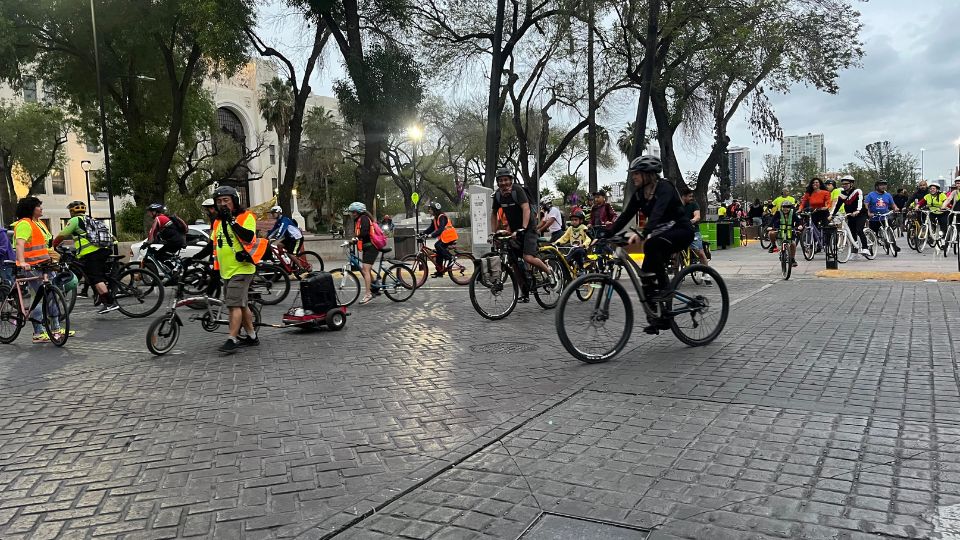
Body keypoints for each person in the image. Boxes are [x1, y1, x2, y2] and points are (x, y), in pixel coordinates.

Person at [605, 155, 694, 333]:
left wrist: (644, 232)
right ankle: (659, 318)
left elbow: (658, 212)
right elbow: (625, 215)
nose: (633, 177)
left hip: (681, 231)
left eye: (637, 174)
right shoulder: (639, 194)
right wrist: (606, 233)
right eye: (633, 174)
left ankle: (666, 291)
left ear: (648, 174)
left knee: (652, 245)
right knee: (645, 275)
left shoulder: (665, 187)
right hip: (661, 234)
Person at [488, 167, 557, 300]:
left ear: (511, 180)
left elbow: (526, 209)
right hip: (514, 231)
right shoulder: (497, 195)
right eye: (501, 180)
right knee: (513, 262)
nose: (504, 183)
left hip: (529, 228)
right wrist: (493, 232)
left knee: (528, 257)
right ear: (498, 182)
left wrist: (524, 228)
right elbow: (493, 214)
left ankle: (549, 273)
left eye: (506, 180)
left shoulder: (517, 190)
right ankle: (524, 292)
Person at [211, 186, 265, 353]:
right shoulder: (217, 221)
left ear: (234, 201)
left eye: (226, 200)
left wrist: (232, 221)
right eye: (219, 201)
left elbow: (249, 236)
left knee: (233, 304)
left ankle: (232, 338)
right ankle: (251, 336)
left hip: (242, 268)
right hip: (226, 270)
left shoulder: (245, 216)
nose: (222, 204)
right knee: (241, 305)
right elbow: (214, 245)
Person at [12, 197, 63, 343]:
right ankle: (40, 332)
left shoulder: (36, 223)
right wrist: (21, 262)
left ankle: (55, 329)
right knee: (42, 296)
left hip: (44, 264)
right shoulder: (24, 224)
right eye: (38, 206)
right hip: (31, 266)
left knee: (52, 295)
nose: (41, 209)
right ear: (31, 208)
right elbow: (20, 244)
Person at [52, 201, 118, 314]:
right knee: (90, 274)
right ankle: (98, 294)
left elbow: (62, 235)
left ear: (72, 211)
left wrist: (53, 245)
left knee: (96, 277)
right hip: (103, 250)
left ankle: (110, 303)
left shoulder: (75, 220)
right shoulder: (91, 220)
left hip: (91, 253)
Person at [680, 187, 712, 284]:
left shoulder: (694, 204)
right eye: (689, 196)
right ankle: (676, 268)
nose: (691, 198)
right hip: (680, 231)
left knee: (700, 253)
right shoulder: (677, 206)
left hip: (693, 231)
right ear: (683, 197)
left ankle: (707, 275)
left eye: (692, 196)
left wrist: (693, 220)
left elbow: (697, 215)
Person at [833, 175, 869, 259]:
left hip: (860, 214)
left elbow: (860, 201)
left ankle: (865, 248)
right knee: (852, 233)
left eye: (846, 184)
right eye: (843, 184)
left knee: (859, 230)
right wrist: (832, 215)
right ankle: (854, 252)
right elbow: (838, 205)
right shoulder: (843, 194)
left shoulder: (857, 191)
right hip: (850, 214)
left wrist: (858, 210)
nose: (844, 185)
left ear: (851, 184)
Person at [421, 201, 459, 277]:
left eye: (430, 209)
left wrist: (432, 235)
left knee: (437, 245)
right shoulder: (435, 218)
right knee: (439, 253)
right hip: (445, 237)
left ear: (434, 210)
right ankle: (440, 272)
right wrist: (422, 233)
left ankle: (451, 258)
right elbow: (431, 228)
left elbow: (441, 229)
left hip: (450, 236)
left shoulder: (442, 217)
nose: (429, 211)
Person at [865, 181, 900, 253]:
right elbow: (866, 204)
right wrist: (868, 212)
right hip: (874, 218)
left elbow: (893, 204)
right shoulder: (871, 195)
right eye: (881, 185)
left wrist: (895, 208)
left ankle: (893, 244)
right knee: (872, 233)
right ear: (877, 186)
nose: (883, 187)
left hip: (885, 217)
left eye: (885, 185)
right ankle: (870, 247)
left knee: (890, 229)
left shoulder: (888, 195)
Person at [769, 200, 801, 267]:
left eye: (788, 207)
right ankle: (773, 245)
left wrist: (799, 226)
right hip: (779, 231)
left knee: (793, 244)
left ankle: (792, 259)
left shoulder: (793, 213)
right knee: (771, 233)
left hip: (790, 232)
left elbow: (798, 221)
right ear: (781, 207)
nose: (785, 209)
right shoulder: (778, 213)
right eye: (784, 207)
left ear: (790, 208)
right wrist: (769, 226)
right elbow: (772, 220)